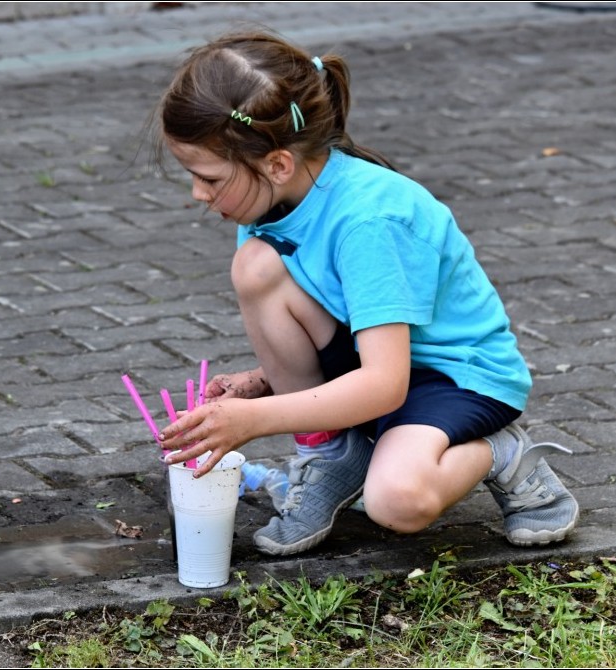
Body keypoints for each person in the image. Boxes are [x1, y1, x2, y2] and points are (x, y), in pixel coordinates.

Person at [156, 30, 578, 557]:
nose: (198, 193)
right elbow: (350, 326)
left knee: (398, 501)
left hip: (456, 378)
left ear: (278, 163)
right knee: (255, 266)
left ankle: (503, 453)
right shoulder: (267, 201)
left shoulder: (369, 222)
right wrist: (259, 384)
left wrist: (255, 421)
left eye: (209, 178)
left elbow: (385, 384)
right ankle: (332, 454)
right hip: (381, 365)